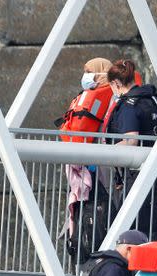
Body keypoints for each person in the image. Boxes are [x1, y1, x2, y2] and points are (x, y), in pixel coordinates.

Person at [105, 59, 157, 241]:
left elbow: (131, 140)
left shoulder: (129, 105)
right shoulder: (154, 101)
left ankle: (140, 264)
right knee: (148, 219)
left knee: (132, 224)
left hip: (136, 172)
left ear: (116, 84)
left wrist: (106, 151)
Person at [57, 57, 114, 263]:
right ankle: (82, 247)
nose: (86, 76)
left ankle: (90, 252)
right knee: (86, 211)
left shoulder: (110, 100)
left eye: (89, 71)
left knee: (96, 210)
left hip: (98, 168)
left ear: (102, 73)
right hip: (89, 166)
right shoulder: (99, 97)